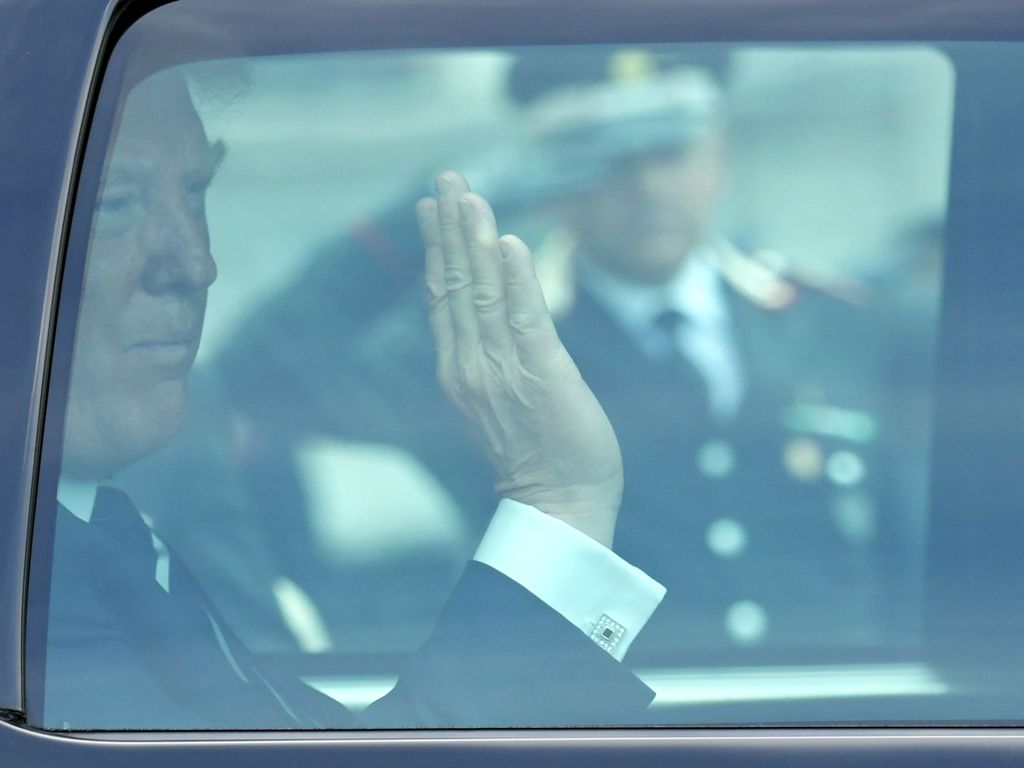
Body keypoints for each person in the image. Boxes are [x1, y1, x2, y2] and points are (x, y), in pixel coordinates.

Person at [43, 68, 666, 730]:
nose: (197, 264)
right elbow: (268, 363)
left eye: (196, 190)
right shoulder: (41, 581)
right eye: (114, 204)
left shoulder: (105, 518)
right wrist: (560, 499)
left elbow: (288, 737)